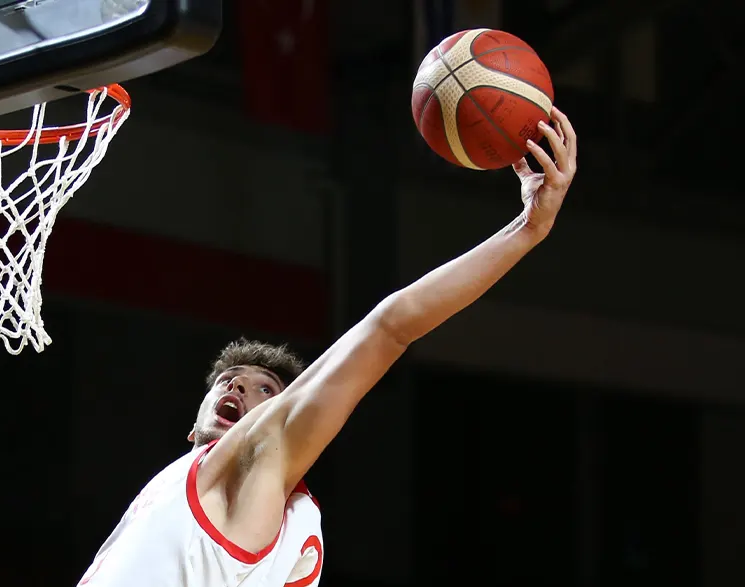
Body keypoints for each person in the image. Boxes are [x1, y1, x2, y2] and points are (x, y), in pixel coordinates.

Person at [75, 110, 581, 587]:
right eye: (229, 382)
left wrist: (528, 229)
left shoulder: (265, 458)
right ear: (193, 427)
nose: (239, 388)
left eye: (265, 389)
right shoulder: (177, 493)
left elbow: (389, 328)